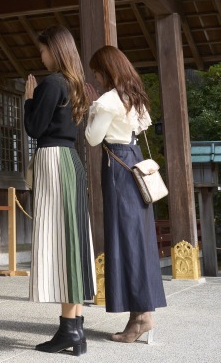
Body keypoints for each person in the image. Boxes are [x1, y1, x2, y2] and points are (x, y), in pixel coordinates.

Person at [85, 45, 167, 344]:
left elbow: (93, 138)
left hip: (118, 169)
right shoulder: (132, 95)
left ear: (106, 70)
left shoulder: (107, 100)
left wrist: (91, 108)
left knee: (125, 240)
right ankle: (139, 314)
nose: (94, 75)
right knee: (137, 240)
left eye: (96, 70)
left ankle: (142, 316)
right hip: (134, 161)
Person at [24, 26, 96, 356]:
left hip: (53, 160)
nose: (41, 56)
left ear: (54, 50)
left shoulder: (52, 83)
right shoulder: (77, 85)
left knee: (63, 244)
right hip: (70, 160)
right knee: (74, 241)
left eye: (42, 50)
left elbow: (35, 128)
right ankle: (75, 327)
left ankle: (69, 329)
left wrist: (28, 100)